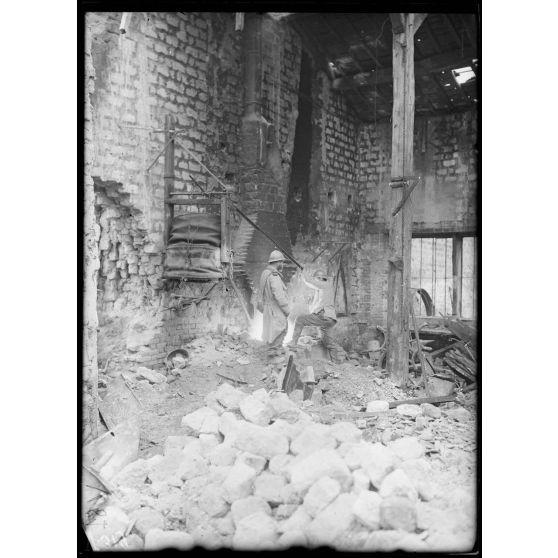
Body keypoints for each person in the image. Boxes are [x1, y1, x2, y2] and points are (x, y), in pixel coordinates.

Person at [288, 268, 340, 358]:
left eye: (316, 279)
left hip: (324, 316)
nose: (315, 281)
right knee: (329, 343)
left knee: (300, 320)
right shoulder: (323, 289)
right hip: (329, 319)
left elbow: (309, 281)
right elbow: (315, 309)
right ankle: (337, 364)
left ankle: (293, 344)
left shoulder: (324, 284)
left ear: (320, 278)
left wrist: (303, 271)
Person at [259, 250, 291, 354]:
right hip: (275, 308)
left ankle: (273, 351)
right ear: (277, 262)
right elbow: (279, 297)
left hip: (267, 308)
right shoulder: (274, 276)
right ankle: (275, 356)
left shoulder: (265, 273)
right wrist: (287, 310)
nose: (282, 264)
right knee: (282, 329)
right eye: (282, 262)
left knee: (271, 331)